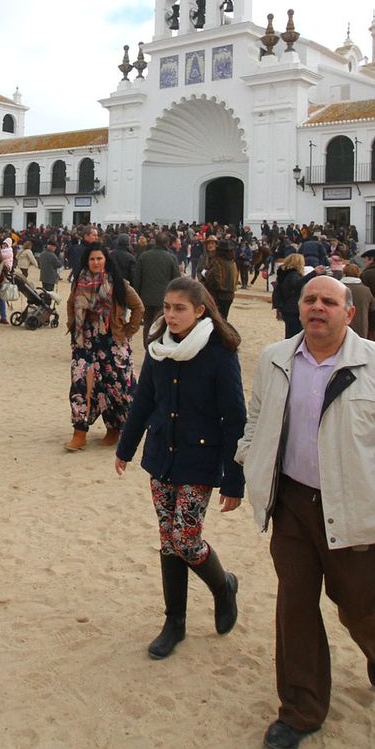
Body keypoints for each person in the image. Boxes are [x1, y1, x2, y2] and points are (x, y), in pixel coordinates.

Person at [236, 276, 375, 749]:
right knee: (296, 607)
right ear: (298, 308)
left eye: (329, 301)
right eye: (310, 300)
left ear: (350, 312)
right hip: (290, 506)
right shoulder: (275, 358)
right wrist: (249, 455)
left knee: (358, 606)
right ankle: (300, 711)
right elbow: (257, 414)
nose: (318, 308)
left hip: (356, 507)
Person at [114, 278, 245, 659]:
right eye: (167, 307)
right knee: (169, 541)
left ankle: (223, 587)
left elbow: (234, 419)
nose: (169, 315)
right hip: (162, 456)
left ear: (200, 310)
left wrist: (234, 480)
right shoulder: (157, 348)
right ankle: (175, 622)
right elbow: (143, 402)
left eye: (179, 308)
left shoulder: (219, 352)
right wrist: (126, 447)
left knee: (186, 539)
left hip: (200, 461)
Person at [63, 244, 144, 452]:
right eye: (92, 259)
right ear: (86, 261)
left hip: (111, 341)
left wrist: (127, 331)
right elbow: (71, 305)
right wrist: (73, 327)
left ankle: (115, 429)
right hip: (85, 341)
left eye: (99, 258)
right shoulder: (79, 282)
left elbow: (138, 307)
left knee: (117, 387)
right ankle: (79, 432)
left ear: (106, 260)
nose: (96, 262)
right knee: (80, 384)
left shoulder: (118, 283)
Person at [133, 235, 182, 339]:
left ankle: (147, 346)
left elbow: (137, 279)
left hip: (145, 297)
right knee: (160, 324)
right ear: (167, 243)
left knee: (147, 324)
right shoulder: (171, 257)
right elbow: (176, 280)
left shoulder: (143, 256)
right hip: (164, 298)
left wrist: (137, 296)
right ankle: (157, 344)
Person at [200, 235, 238, 320]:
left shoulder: (218, 262)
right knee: (224, 318)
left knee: (217, 319)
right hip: (230, 295)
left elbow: (215, 279)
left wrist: (205, 273)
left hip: (219, 295)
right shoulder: (232, 262)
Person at [271, 252, 307, 339]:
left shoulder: (283, 275)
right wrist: (313, 274)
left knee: (290, 334)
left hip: (287, 307)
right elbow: (298, 285)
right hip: (293, 309)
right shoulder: (293, 275)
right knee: (295, 336)